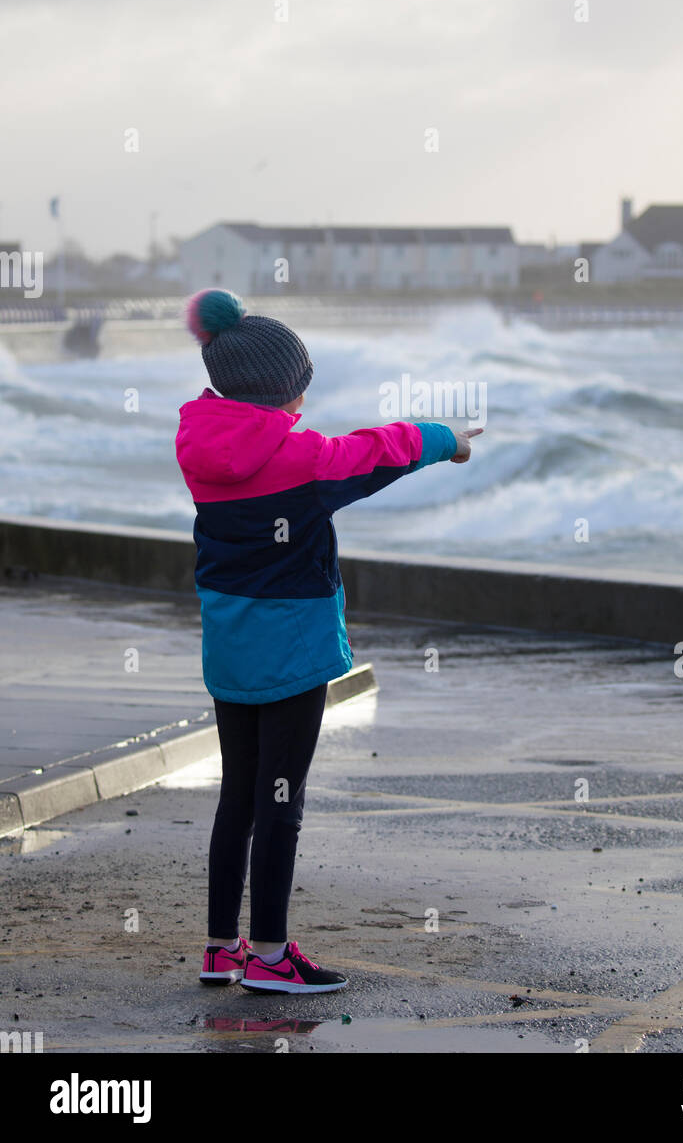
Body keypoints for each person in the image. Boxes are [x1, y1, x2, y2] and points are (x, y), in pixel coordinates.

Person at [175, 288, 481, 993]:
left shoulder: (199, 445)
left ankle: (223, 948)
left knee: (239, 798)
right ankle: (274, 958)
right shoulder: (302, 461)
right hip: (292, 652)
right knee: (283, 800)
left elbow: (354, 452)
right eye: (298, 395)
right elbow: (375, 453)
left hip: (229, 645)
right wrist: (448, 440)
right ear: (282, 397)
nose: (302, 408)